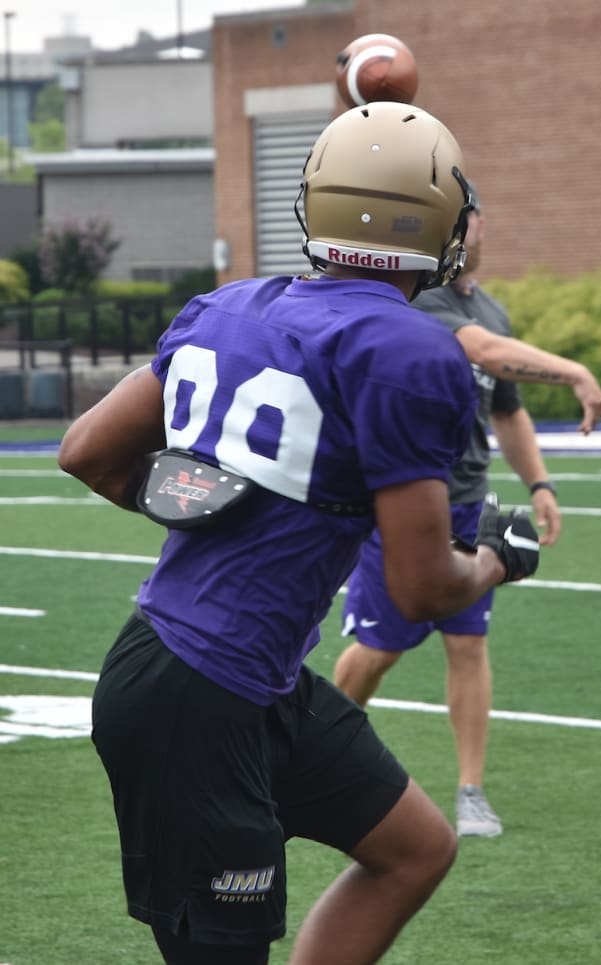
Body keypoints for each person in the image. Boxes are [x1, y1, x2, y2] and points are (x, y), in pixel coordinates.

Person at [58, 102, 540, 965]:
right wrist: (498, 560)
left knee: (415, 848)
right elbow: (422, 588)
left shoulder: (226, 307)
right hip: (198, 698)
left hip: (241, 677)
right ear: (434, 222)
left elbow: (87, 452)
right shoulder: (411, 351)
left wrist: (182, 494)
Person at [334, 181, 601, 838]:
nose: (464, 236)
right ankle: (301, 744)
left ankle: (470, 791)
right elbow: (481, 353)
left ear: (481, 225)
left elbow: (506, 409)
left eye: (470, 223)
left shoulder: (492, 309)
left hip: (467, 504)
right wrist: (574, 371)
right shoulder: (419, 296)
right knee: (379, 650)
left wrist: (541, 484)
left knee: (469, 643)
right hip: (407, 504)